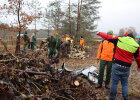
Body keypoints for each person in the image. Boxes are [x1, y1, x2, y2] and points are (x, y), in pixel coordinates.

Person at [96, 28, 140, 100]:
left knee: (114, 83)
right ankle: (126, 98)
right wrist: (139, 66)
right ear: (133, 34)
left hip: (116, 64)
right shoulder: (136, 45)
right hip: (126, 67)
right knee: (125, 84)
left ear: (126, 33)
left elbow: (108, 37)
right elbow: (138, 58)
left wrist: (99, 33)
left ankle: (112, 97)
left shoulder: (120, 39)